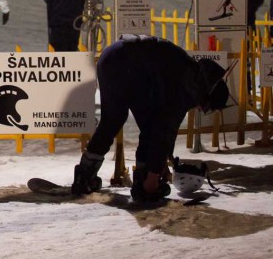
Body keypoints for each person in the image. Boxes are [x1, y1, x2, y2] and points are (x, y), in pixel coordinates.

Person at [71, 35, 231, 203]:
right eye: (205, 106)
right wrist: (154, 176)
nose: (200, 108)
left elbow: (163, 126)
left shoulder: (190, 72)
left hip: (112, 57)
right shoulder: (187, 88)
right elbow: (165, 131)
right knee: (147, 128)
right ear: (207, 94)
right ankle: (146, 182)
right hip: (126, 67)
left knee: (115, 121)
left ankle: (85, 175)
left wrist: (162, 161)